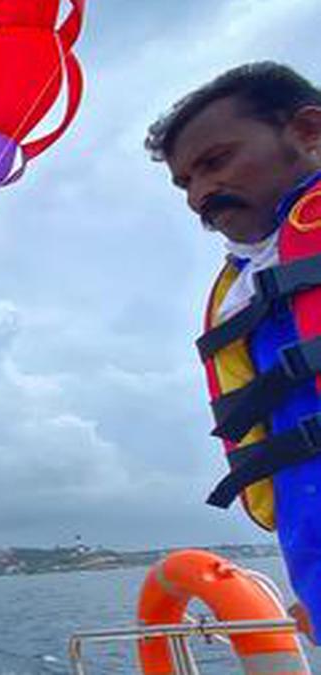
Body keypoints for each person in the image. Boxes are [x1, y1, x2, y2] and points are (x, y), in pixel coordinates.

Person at [146, 62, 321, 637]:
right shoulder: (253, 283)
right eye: (185, 182)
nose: (198, 196)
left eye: (215, 162)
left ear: (309, 131)